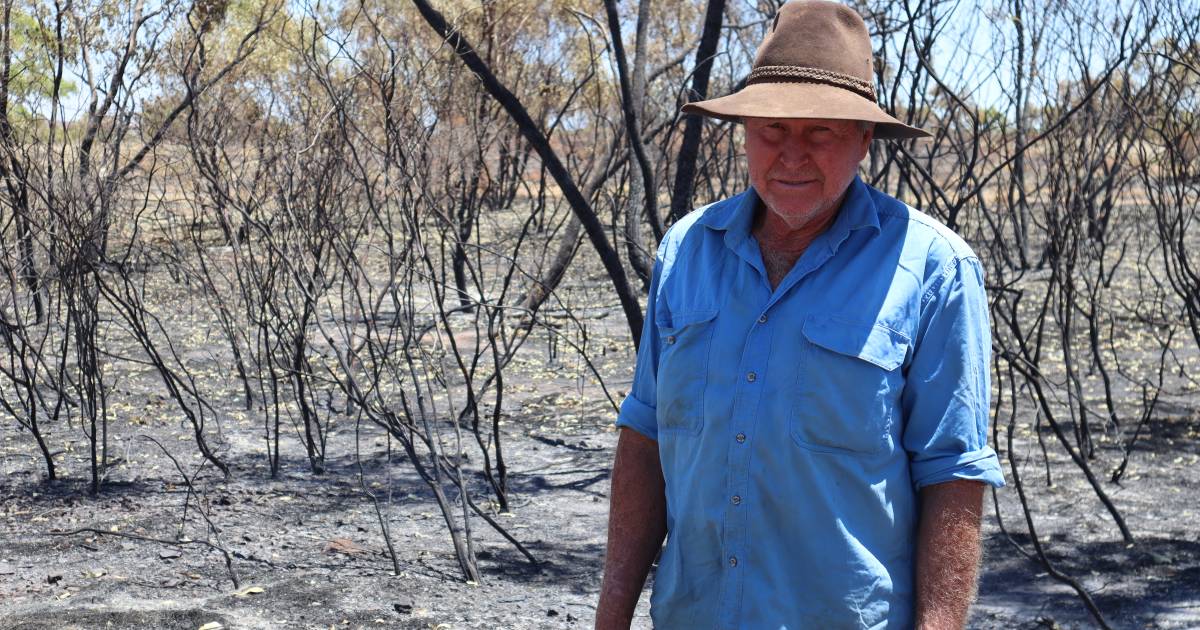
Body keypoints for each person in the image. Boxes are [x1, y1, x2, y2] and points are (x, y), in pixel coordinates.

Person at [594, 1, 1006, 628]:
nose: (792, 156)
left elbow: (952, 473)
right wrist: (612, 614)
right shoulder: (687, 251)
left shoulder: (933, 270)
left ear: (865, 141)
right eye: (772, 131)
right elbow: (646, 434)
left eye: (821, 132)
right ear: (745, 133)